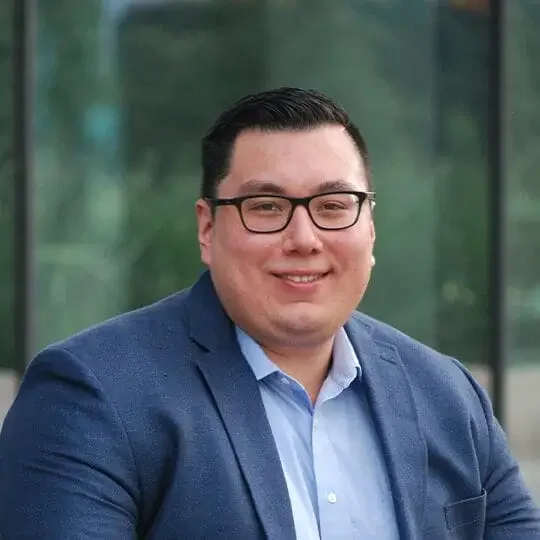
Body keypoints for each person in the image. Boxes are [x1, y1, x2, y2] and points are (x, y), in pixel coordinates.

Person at [0, 87, 539, 540]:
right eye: (266, 208)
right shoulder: (91, 396)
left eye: (333, 206)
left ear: (370, 226)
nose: (303, 239)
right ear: (207, 229)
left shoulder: (447, 394)